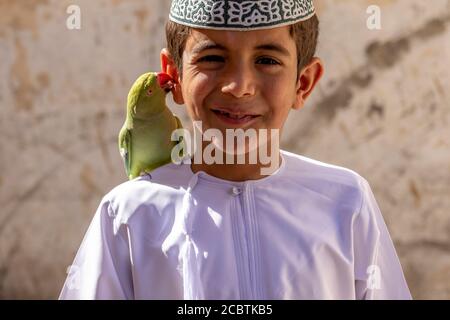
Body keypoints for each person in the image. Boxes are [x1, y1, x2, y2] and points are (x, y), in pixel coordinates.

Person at [59, 0, 412, 299]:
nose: (238, 86)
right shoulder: (129, 214)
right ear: (174, 78)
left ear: (302, 83)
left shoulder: (345, 202)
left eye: (267, 61)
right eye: (212, 58)